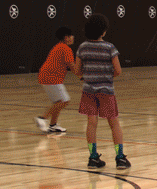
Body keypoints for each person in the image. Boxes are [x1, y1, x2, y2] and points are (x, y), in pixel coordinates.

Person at [74, 13, 130, 170]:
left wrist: (87, 75)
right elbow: (118, 71)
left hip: (88, 91)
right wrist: (106, 76)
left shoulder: (82, 47)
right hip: (106, 91)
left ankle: (93, 157)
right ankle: (120, 158)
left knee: (91, 124)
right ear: (103, 31)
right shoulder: (109, 48)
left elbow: (77, 71)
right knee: (114, 123)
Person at [35, 26, 75, 134]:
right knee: (64, 101)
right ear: (66, 37)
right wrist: (83, 76)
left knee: (58, 102)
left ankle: (53, 125)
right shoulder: (65, 49)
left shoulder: (59, 46)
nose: (73, 37)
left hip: (46, 76)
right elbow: (72, 66)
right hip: (51, 77)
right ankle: (42, 118)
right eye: (71, 35)